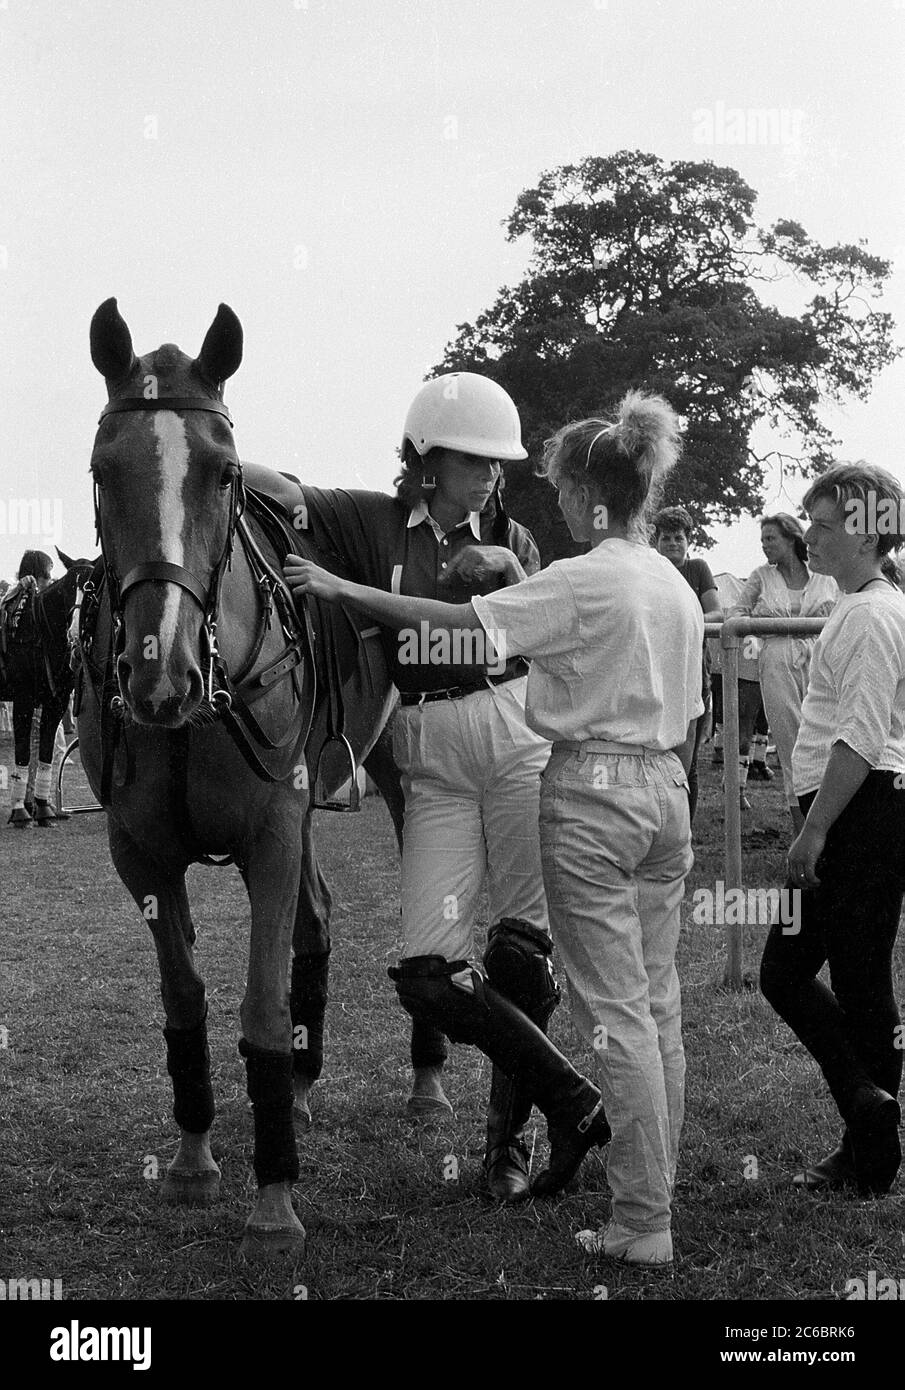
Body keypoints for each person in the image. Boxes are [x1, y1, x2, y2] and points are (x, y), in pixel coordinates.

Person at [286, 390, 703, 1267]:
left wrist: (338, 587)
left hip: (573, 774)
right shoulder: (666, 577)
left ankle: (617, 1198)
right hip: (653, 785)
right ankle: (630, 1171)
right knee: (642, 1005)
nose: (520, 494)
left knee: (596, 998)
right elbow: (692, 712)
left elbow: (466, 633)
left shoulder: (567, 568)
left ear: (593, 497)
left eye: (547, 486)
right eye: (481, 462)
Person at [291, 372, 610, 1205]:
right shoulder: (365, 519)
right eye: (476, 462)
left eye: (498, 465)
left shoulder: (514, 535)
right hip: (426, 752)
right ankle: (573, 1097)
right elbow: (276, 487)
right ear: (425, 459)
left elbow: (529, 614)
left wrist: (508, 564)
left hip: (511, 734)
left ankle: (508, 1144)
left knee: (518, 950)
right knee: (427, 972)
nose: (492, 479)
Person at [760, 463, 905, 1197]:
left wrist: (811, 833)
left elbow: (861, 736)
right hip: (849, 808)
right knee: (783, 972)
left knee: (858, 980)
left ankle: (869, 1152)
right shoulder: (853, 607)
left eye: (818, 524)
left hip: (866, 810)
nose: (806, 536)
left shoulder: (876, 614)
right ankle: (866, 1104)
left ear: (862, 532)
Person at [730, 515, 837, 833]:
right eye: (762, 540)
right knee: (793, 746)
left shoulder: (825, 576)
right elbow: (737, 614)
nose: (764, 545)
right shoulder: (761, 576)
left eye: (770, 538)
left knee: (826, 742)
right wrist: (756, 631)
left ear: (791, 539)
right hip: (776, 661)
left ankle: (829, 829)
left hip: (819, 662)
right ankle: (800, 831)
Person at [652, 506, 721, 822]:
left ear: (688, 540)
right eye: (666, 538)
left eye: (678, 538)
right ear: (657, 541)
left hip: (694, 671)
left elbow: (717, 614)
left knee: (687, 759)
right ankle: (657, 825)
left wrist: (681, 621)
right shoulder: (651, 570)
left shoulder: (698, 569)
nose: (672, 544)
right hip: (655, 669)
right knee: (655, 752)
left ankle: (685, 831)